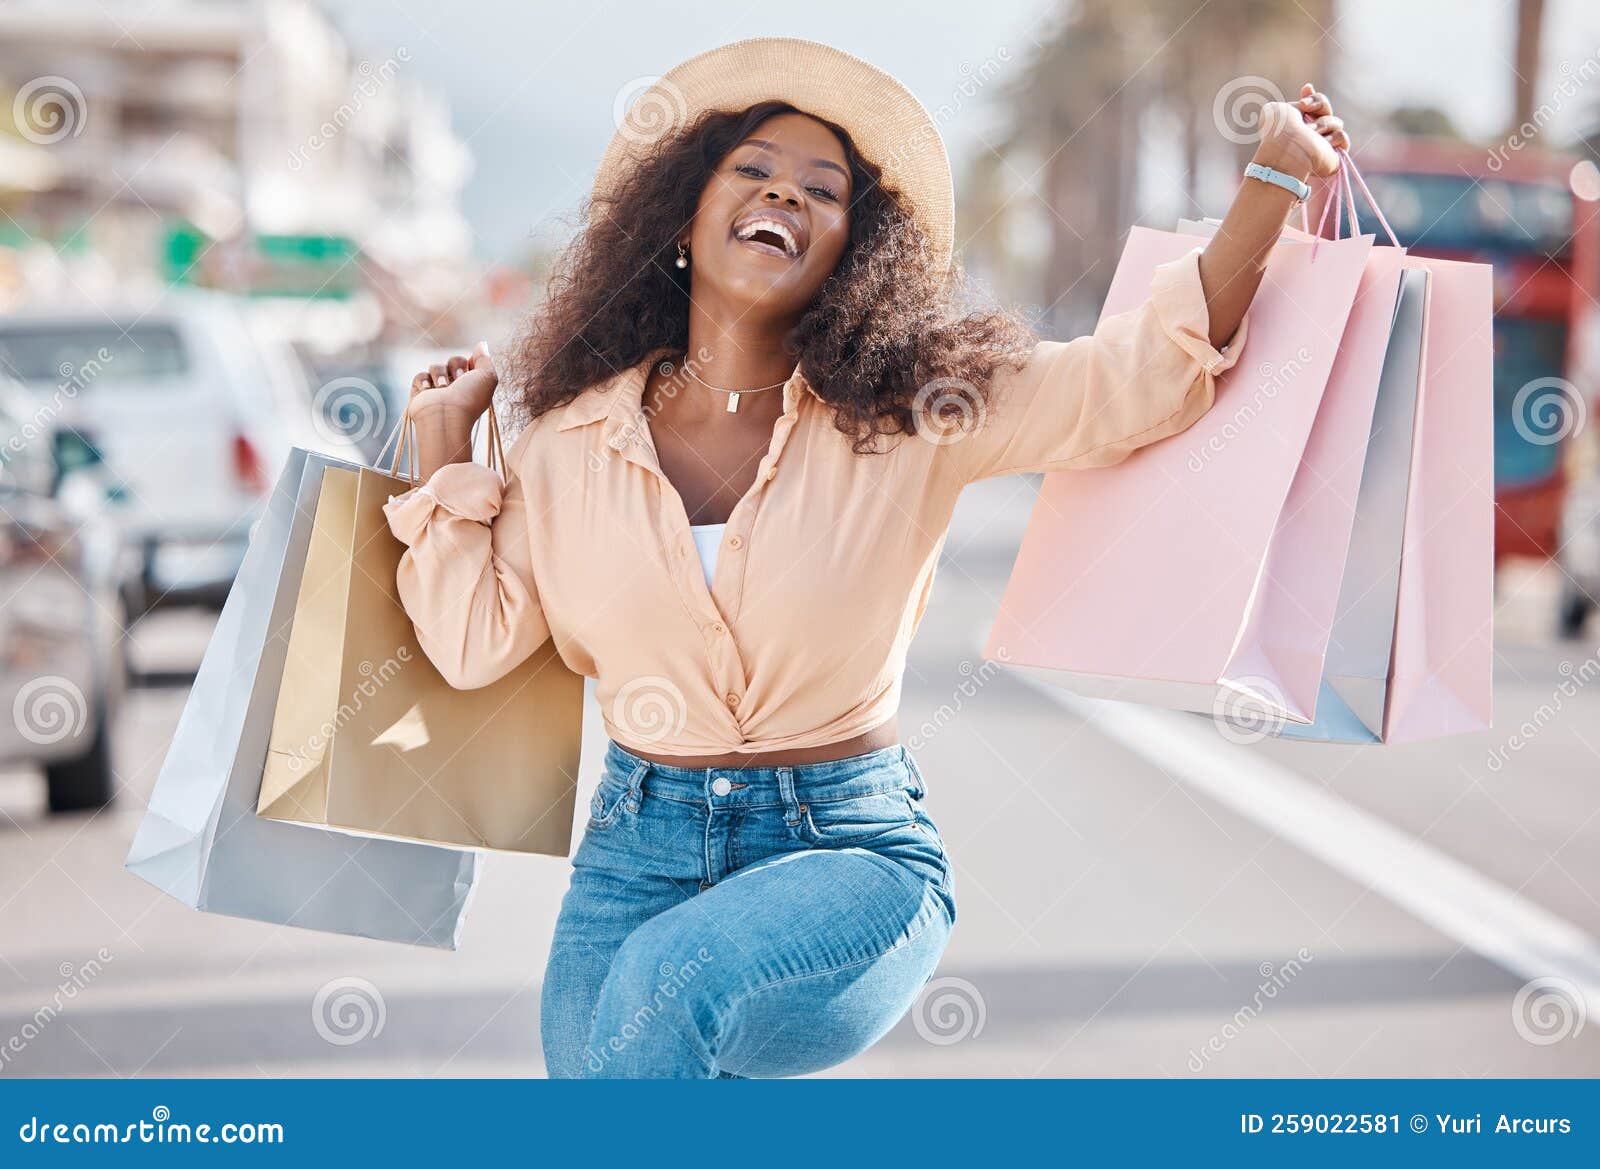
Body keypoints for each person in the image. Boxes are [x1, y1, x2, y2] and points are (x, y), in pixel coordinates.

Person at [382, 37, 1350, 1078]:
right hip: (634, 852)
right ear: (680, 216)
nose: (783, 196)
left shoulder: (909, 412)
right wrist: (442, 448)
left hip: (848, 851)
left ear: (852, 247)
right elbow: (473, 644)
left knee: (665, 990)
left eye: (821, 190)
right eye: (751, 171)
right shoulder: (566, 445)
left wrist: (1273, 180)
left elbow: (1137, 379)